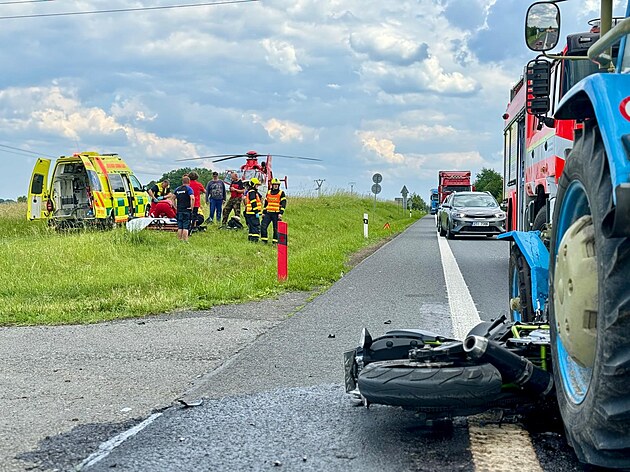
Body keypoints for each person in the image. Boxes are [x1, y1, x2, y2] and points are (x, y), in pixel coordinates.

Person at [261, 178, 287, 244]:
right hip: (268, 213)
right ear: (272, 185)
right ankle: (264, 240)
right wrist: (264, 212)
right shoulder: (269, 192)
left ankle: (275, 242)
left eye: (277, 185)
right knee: (263, 226)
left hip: (276, 213)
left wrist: (281, 213)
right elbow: (266, 203)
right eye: (274, 184)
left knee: (276, 228)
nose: (275, 186)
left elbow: (283, 204)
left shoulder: (281, 193)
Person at [174, 176, 195, 241]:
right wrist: (191, 207)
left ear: (182, 182)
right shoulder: (189, 189)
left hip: (179, 210)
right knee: (186, 226)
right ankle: (185, 240)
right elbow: (192, 198)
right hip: (186, 210)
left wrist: (175, 206)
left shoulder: (177, 189)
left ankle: (179, 240)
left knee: (180, 226)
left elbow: (172, 198)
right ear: (189, 182)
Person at [244, 178, 262, 242]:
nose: (257, 187)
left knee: (251, 227)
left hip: (249, 213)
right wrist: (256, 212)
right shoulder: (252, 192)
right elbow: (253, 202)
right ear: (253, 185)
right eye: (257, 185)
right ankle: (254, 240)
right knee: (255, 226)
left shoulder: (251, 192)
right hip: (253, 213)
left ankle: (251, 239)